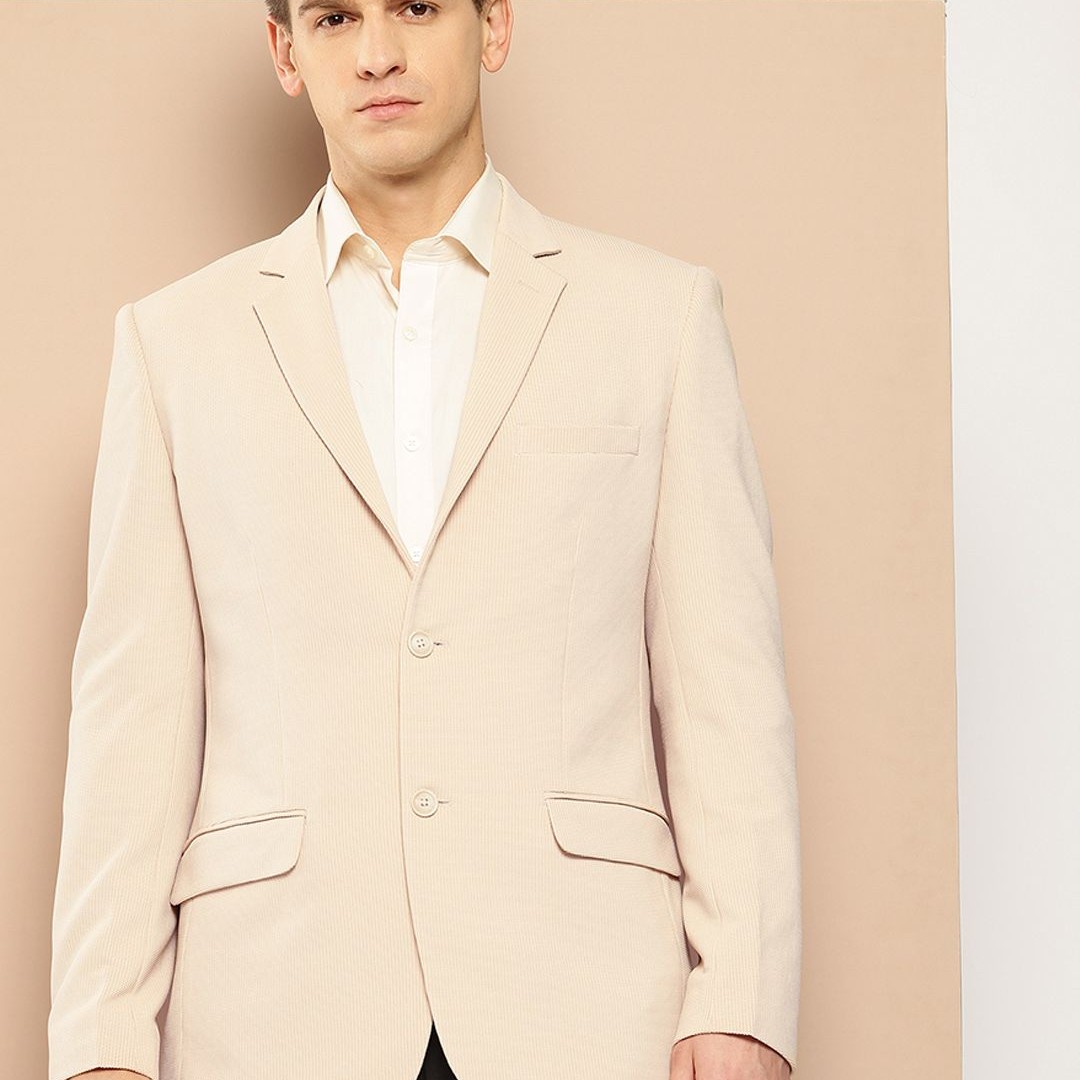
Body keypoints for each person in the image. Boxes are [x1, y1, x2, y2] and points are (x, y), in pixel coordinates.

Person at [47, 2, 802, 1079]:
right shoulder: (174, 344)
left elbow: (727, 688)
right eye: (335, 17)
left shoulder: (657, 318)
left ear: (493, 26)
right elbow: (134, 717)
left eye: (416, 7)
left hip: (585, 1007)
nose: (377, 54)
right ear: (286, 53)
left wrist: (743, 1000)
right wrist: (100, 1038)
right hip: (277, 1010)